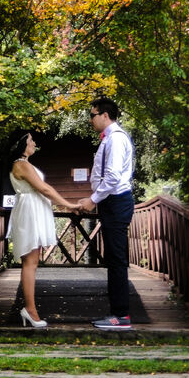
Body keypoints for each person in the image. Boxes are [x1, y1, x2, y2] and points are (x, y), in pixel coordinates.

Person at [6, 131, 80, 328]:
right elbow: (44, 189)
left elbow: (43, 190)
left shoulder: (25, 164)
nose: (34, 143)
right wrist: (69, 205)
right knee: (30, 261)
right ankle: (30, 310)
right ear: (22, 144)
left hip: (32, 210)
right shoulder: (21, 164)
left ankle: (29, 309)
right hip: (29, 212)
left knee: (33, 261)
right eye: (30, 140)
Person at [76, 97, 135, 331]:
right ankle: (117, 313)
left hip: (117, 202)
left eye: (92, 115)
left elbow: (112, 177)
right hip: (111, 202)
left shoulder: (117, 139)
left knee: (117, 260)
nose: (90, 120)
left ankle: (121, 316)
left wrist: (92, 200)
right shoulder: (109, 138)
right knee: (113, 258)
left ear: (104, 115)